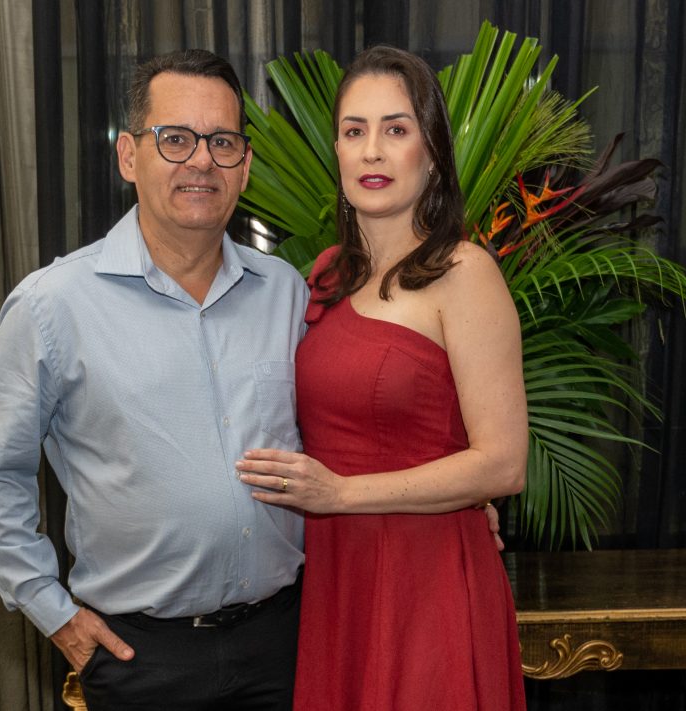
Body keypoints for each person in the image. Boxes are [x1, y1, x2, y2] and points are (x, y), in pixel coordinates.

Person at [0, 49, 310, 710]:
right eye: (175, 138)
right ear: (128, 155)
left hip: (286, 645)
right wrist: (51, 610)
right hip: (142, 660)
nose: (201, 160)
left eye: (222, 141)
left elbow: (341, 431)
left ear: (244, 164)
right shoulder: (54, 305)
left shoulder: (287, 294)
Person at [235, 46, 528, 710]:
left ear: (432, 154)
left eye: (396, 129)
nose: (372, 150)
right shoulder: (326, 275)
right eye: (354, 130)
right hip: (338, 577)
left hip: (428, 585)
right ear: (336, 152)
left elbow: (505, 464)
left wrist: (342, 493)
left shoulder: (464, 273)